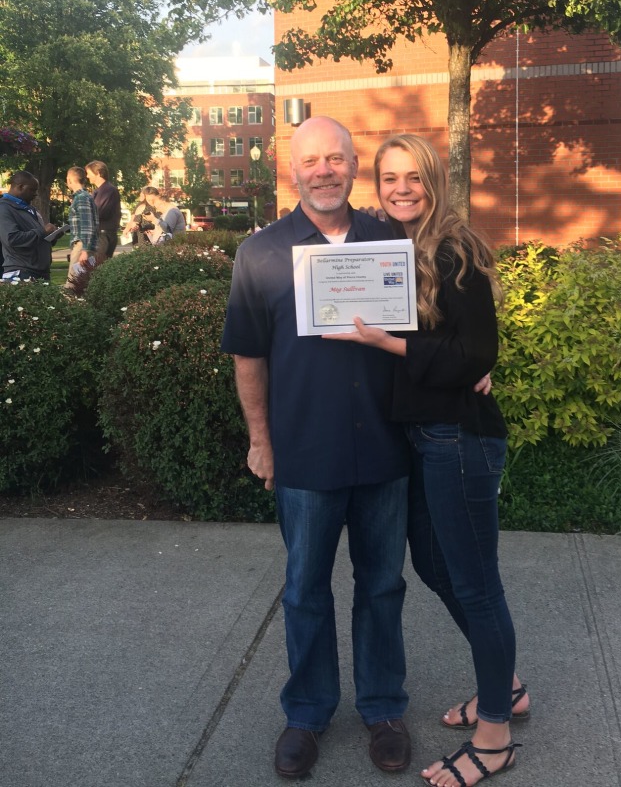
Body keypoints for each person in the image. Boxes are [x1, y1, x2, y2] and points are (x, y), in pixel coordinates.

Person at [326, 134, 527, 787]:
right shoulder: (396, 247)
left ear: (433, 179)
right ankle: (508, 685)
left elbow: (478, 353)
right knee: (437, 566)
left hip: (459, 439)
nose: (401, 187)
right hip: (424, 436)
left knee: (475, 581)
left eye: (413, 176)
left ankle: (493, 734)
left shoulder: (453, 247)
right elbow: (457, 351)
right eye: (389, 177)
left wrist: (390, 342)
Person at [221, 116, 412, 780]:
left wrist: (478, 359)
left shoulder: (392, 239)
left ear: (354, 167)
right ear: (292, 170)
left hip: (386, 450)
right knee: (304, 588)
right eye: (312, 160)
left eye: (336, 158)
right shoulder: (261, 253)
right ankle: (306, 712)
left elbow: (438, 326)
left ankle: (384, 707)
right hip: (304, 453)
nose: (324, 170)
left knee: (383, 585)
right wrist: (260, 441)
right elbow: (248, 357)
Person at [0, 171, 58, 281]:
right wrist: (43, 231)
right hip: (22, 272)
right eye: (32, 190)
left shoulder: (30, 209)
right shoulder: (4, 208)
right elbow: (12, 238)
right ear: (20, 187)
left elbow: (37, 237)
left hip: (40, 272)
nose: (35, 194)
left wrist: (53, 236)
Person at [63, 167, 99, 291]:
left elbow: (87, 225)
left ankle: (69, 308)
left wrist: (84, 250)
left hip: (82, 245)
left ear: (69, 179)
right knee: (82, 284)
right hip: (83, 245)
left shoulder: (82, 198)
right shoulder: (82, 197)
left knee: (72, 284)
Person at [85, 160, 121, 260]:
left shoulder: (108, 190)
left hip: (103, 235)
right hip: (101, 233)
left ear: (99, 173)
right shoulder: (100, 191)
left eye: (89, 173)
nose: (87, 176)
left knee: (96, 267)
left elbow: (99, 212)